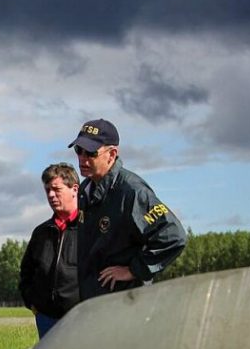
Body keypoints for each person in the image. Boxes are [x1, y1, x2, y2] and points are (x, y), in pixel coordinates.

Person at [68, 119, 187, 301]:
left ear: (112, 154)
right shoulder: (85, 191)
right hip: (93, 300)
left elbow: (172, 235)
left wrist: (134, 270)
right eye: (79, 150)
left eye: (91, 152)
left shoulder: (132, 191)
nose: (82, 158)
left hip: (125, 301)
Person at [19, 163, 81, 338]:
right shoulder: (41, 232)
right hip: (46, 319)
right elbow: (26, 271)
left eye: (56, 189)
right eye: (47, 190)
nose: (51, 195)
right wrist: (32, 302)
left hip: (81, 318)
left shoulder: (90, 228)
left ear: (74, 189)